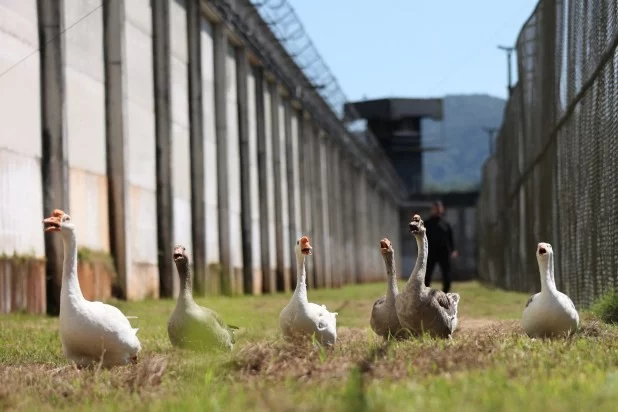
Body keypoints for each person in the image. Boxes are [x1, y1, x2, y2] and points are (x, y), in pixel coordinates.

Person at [424, 200, 458, 293]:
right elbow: (422, 238)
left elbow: (450, 238)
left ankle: (445, 294)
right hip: (431, 252)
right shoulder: (427, 223)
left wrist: (453, 250)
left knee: (447, 275)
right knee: (427, 274)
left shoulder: (446, 224)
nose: (438, 210)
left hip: (444, 252)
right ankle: (425, 294)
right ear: (433, 209)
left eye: (439, 208)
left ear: (442, 209)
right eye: (436, 208)